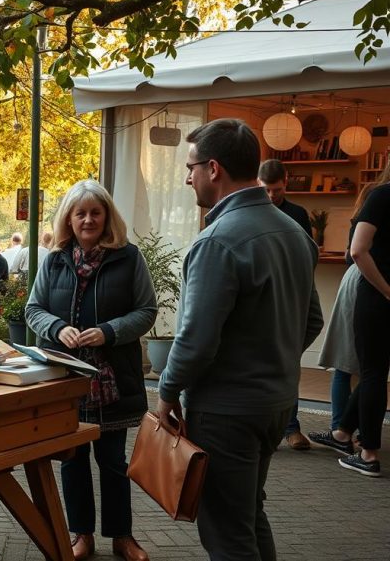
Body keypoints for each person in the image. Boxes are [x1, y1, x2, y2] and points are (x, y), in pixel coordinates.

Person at [158, 118, 323, 560]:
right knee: (248, 514)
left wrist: (166, 393)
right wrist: (275, 356)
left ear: (214, 168)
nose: (187, 177)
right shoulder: (297, 235)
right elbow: (312, 321)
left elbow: (195, 340)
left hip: (226, 411)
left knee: (228, 533)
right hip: (276, 403)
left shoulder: (216, 241)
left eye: (190, 167)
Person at [25, 180, 157, 561]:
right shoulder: (54, 260)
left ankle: (122, 537)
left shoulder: (129, 257)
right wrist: (56, 327)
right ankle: (80, 535)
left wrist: (109, 332)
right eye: (80, 213)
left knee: (114, 462)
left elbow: (146, 310)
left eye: (95, 212)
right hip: (67, 381)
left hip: (113, 382)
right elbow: (34, 309)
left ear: (107, 216)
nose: (88, 220)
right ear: (69, 217)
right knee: (73, 461)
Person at [309, 168, 390, 451]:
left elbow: (354, 252)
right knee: (373, 370)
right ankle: (342, 432)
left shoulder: (378, 195)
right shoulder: (377, 195)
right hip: (371, 287)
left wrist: (386, 290)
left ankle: (366, 451)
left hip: (370, 288)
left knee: (365, 371)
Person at [258, 159, 314, 450]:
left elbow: (307, 257)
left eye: (276, 190)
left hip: (289, 296)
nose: (271, 196)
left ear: (286, 183)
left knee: (288, 363)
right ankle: (265, 428)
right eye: (266, 190)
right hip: (259, 298)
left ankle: (291, 427)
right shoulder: (251, 214)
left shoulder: (297, 214)